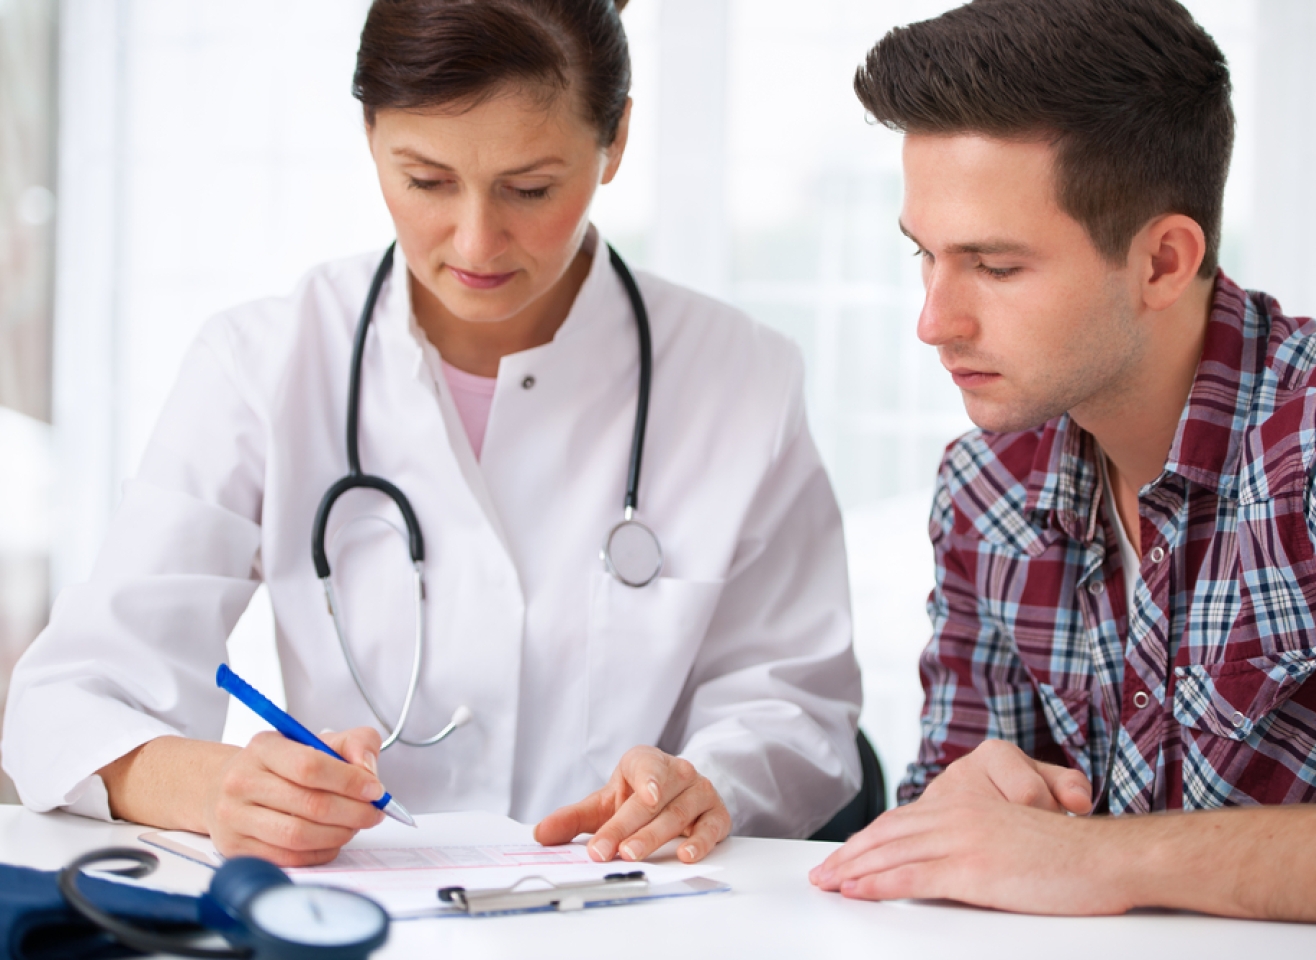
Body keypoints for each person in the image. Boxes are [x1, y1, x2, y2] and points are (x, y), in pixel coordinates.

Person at [3, 0, 862, 868]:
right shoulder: (262, 362)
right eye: (425, 181)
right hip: (356, 917)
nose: (476, 240)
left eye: (531, 189)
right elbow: (68, 700)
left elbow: (800, 710)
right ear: (371, 133)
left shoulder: (743, 376)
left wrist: (700, 784)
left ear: (618, 140)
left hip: (625, 915)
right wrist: (219, 786)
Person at [811, 0, 1316, 928]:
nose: (935, 322)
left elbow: (1076, 866)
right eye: (926, 256)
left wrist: (1105, 859)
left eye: (995, 266)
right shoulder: (987, 490)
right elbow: (943, 861)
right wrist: (962, 809)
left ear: (1162, 262)